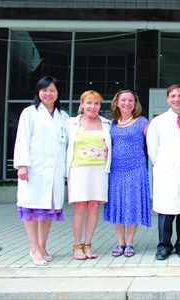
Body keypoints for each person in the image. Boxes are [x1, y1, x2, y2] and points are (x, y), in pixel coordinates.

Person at [13, 76, 69, 266]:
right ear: (38, 92)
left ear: (58, 93)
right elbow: (22, 139)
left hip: (54, 172)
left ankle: (43, 246)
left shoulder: (63, 116)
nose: (48, 93)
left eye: (52, 90)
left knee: (48, 210)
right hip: (33, 170)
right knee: (32, 209)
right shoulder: (29, 113)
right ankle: (34, 248)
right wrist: (22, 165)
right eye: (44, 90)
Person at [146, 84, 180, 261]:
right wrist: (164, 164)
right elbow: (152, 150)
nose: (177, 99)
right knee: (166, 211)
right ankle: (164, 246)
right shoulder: (158, 122)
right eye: (173, 96)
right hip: (166, 172)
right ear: (168, 99)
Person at [103, 89, 151, 257]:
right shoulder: (111, 124)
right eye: (123, 100)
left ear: (135, 104)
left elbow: (156, 136)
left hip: (136, 169)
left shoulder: (142, 122)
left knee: (132, 204)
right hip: (115, 170)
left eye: (130, 100)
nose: (127, 103)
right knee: (117, 205)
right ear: (117, 103)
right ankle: (120, 242)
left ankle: (129, 242)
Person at [66, 90, 112, 260]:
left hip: (99, 170)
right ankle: (77, 245)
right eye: (89, 103)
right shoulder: (71, 123)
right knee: (80, 206)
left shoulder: (107, 123)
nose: (93, 106)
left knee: (93, 206)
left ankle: (88, 244)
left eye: (96, 103)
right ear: (82, 104)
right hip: (78, 169)